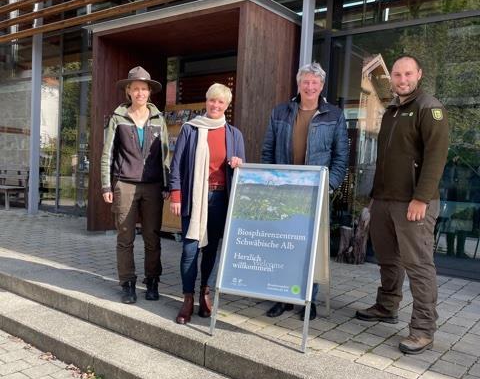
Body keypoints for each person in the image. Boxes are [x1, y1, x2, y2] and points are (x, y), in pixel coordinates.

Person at [355, 55, 449, 354]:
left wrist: (421, 198)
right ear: (391, 78)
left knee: (418, 265)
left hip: (413, 203)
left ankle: (422, 329)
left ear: (419, 74)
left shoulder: (428, 107)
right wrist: (374, 197)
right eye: (397, 74)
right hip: (384, 199)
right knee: (388, 259)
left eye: (408, 74)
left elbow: (436, 156)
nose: (402, 79)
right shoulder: (393, 109)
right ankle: (387, 306)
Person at [261, 62, 349, 320]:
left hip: (315, 193)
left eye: (315, 82)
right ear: (298, 85)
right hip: (283, 191)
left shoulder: (334, 115)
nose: (310, 86)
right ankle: (281, 297)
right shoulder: (280, 112)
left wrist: (328, 186)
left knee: (311, 249)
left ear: (321, 86)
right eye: (305, 82)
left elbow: (341, 158)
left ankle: (308, 299)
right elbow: (268, 151)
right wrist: (270, 182)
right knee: (282, 246)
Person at [169, 83, 245, 325]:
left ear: (227, 106)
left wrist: (238, 163)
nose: (215, 105)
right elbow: (177, 165)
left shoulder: (234, 135)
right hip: (194, 199)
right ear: (207, 100)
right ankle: (188, 298)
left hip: (220, 199)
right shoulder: (190, 130)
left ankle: (205, 293)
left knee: (211, 250)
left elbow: (242, 170)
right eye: (212, 100)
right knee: (190, 250)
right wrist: (176, 196)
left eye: (220, 102)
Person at [101, 66, 169, 304]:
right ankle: (127, 283)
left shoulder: (159, 119)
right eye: (135, 88)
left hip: (152, 186)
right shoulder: (117, 118)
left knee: (152, 237)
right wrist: (106, 186)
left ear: (149, 92)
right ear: (128, 91)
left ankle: (152, 281)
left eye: (144, 88)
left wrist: (167, 184)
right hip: (124, 186)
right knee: (125, 237)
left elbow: (165, 155)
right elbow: (107, 154)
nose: (140, 93)